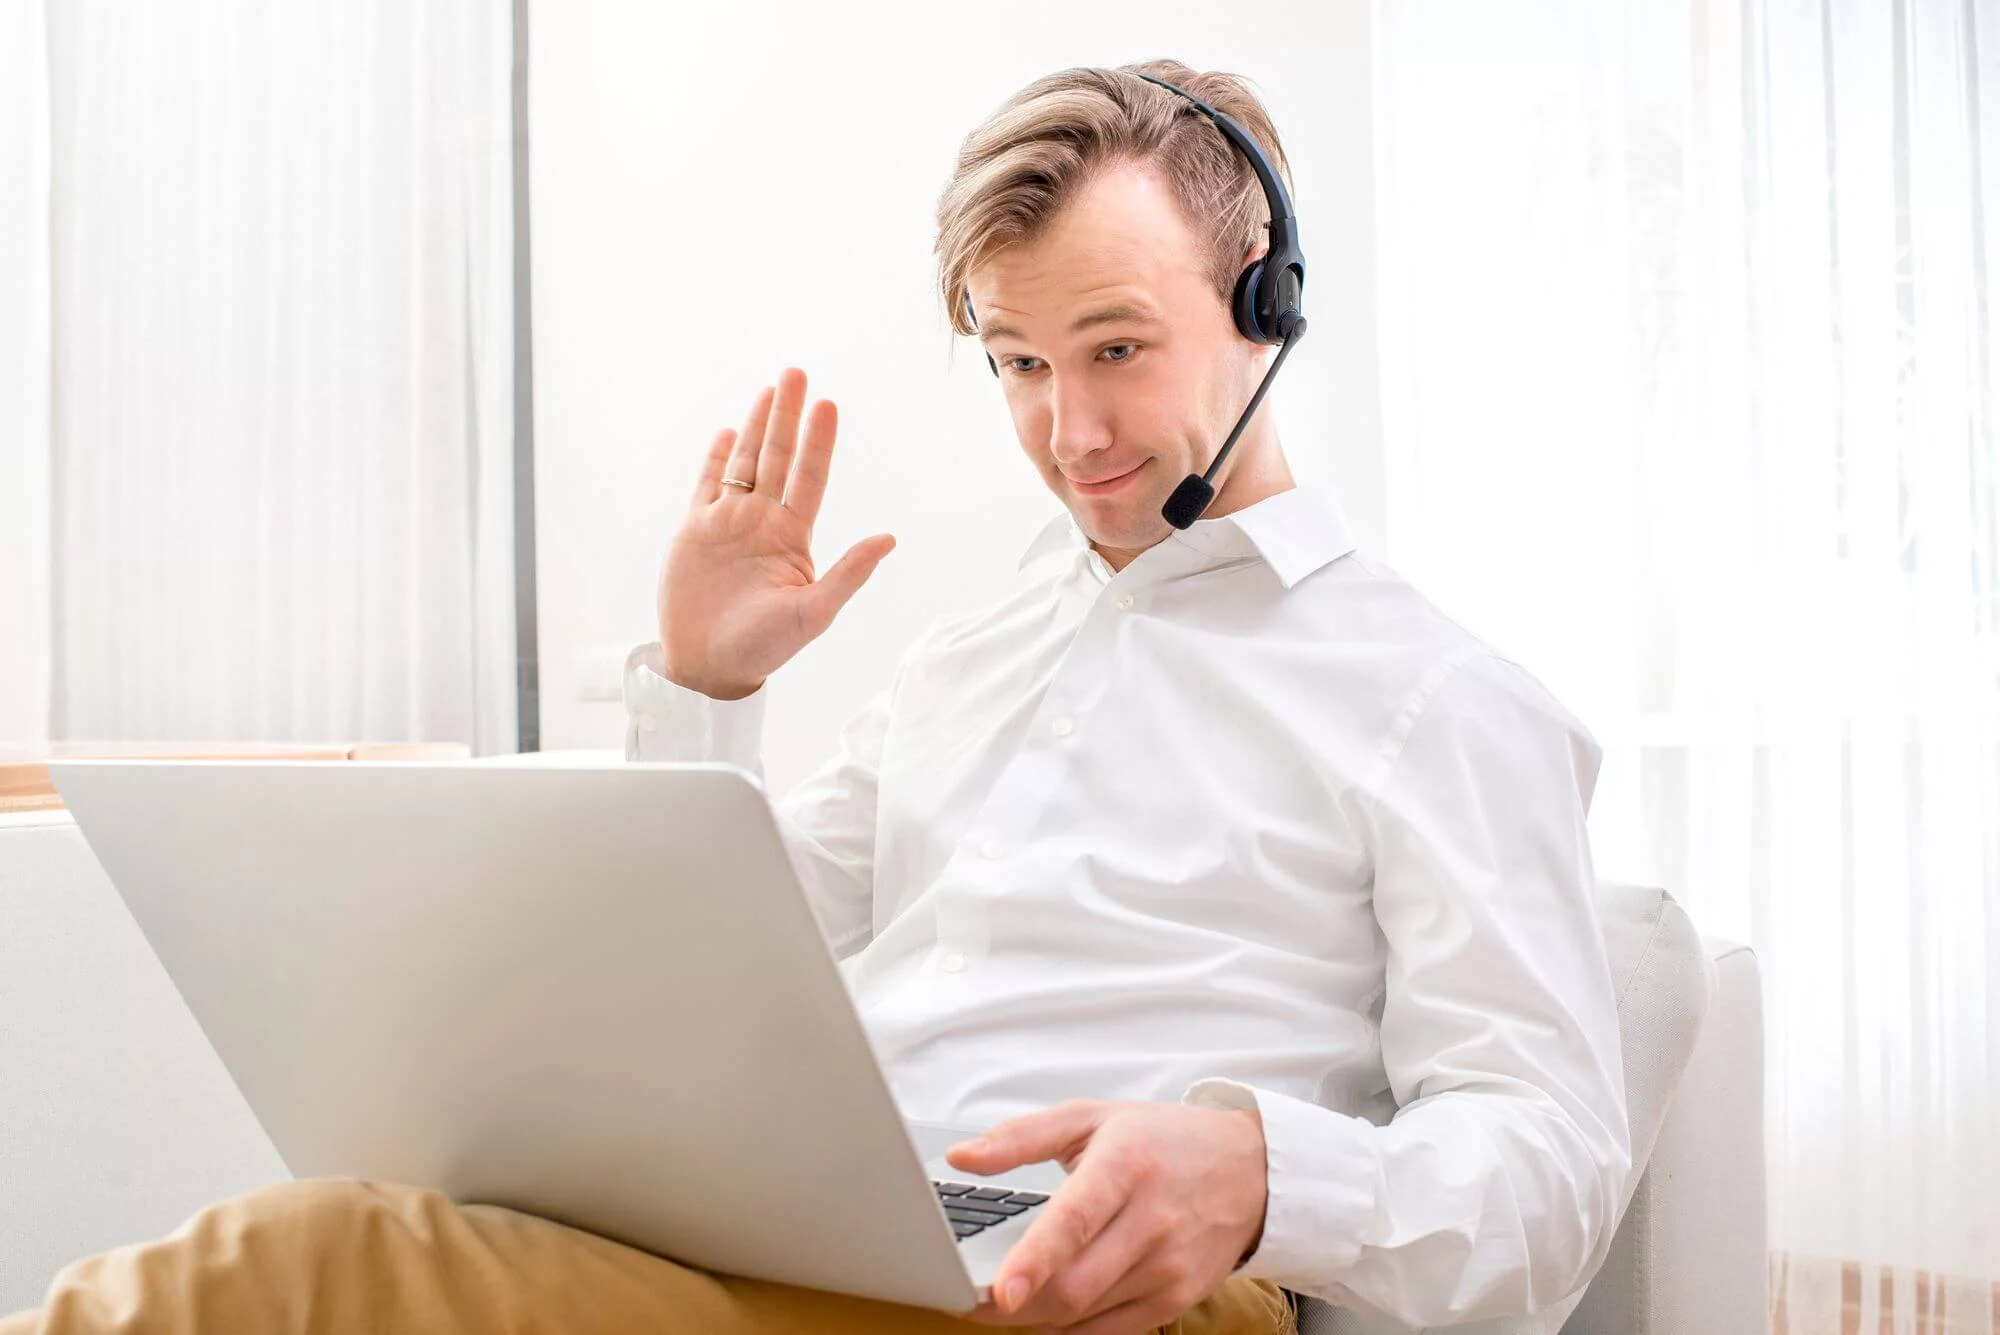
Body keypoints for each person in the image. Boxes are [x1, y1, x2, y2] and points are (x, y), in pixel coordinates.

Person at [2, 59, 1629, 1335]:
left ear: (1266, 302)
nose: (1069, 432)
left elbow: (1552, 1161)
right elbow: (702, 969)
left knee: (304, 1264)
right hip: (836, 1237)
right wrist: (707, 689)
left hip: (1111, 1290)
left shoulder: (1435, 698)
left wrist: (1270, 1173)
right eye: (1017, 362)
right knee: (361, 1226)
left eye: (1117, 348)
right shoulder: (972, 660)